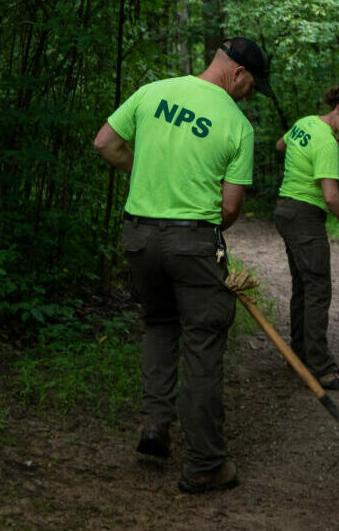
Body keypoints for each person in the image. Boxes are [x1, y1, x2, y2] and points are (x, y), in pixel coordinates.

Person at [93, 36, 272, 494]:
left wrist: (148, 173)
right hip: (192, 243)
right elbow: (229, 209)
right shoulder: (237, 124)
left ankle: (155, 426)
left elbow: (106, 143)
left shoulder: (153, 92)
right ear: (238, 74)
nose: (249, 94)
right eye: (252, 86)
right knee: (202, 342)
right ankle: (206, 462)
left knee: (157, 324)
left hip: (139, 238)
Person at [274, 87, 339, 390]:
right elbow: (331, 197)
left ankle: (299, 354)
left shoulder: (305, 124)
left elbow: (280, 145)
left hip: (285, 210)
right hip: (304, 215)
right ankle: (322, 368)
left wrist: (300, 159)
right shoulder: (327, 142)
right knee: (317, 288)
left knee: (303, 285)